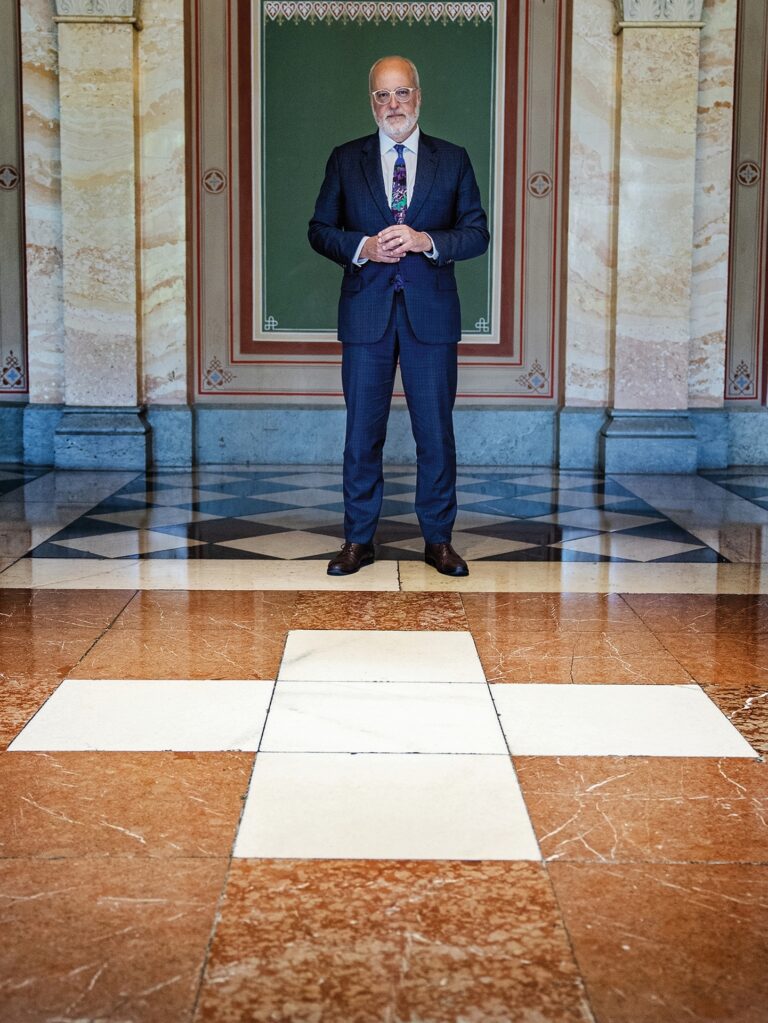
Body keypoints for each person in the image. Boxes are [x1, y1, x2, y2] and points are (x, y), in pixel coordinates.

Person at [308, 55, 489, 577]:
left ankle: (439, 540)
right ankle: (358, 540)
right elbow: (320, 230)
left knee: (435, 434)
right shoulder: (346, 159)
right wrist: (363, 247)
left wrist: (425, 239)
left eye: (402, 92)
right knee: (362, 434)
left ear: (418, 96)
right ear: (372, 102)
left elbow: (476, 233)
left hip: (431, 317)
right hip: (366, 315)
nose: (393, 104)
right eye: (382, 95)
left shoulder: (452, 159)